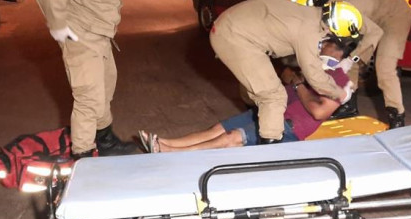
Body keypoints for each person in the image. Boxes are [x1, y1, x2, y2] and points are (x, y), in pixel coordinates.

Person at [35, 0, 160, 157]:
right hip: (81, 38)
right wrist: (59, 26)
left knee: (104, 90)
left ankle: (105, 140)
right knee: (88, 99)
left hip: (100, 38)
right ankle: (83, 158)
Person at [139, 40, 352, 152]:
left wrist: (297, 84)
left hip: (289, 126)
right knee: (216, 129)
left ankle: (168, 152)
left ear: (337, 50)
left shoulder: (340, 79)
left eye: (325, 43)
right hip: (272, 108)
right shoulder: (315, 66)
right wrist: (292, 78)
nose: (319, 45)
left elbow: (318, 111)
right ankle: (168, 143)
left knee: (230, 138)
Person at [208, 0, 362, 145]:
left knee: (268, 95)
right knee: (273, 96)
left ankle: (267, 139)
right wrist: (339, 93)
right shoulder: (309, 29)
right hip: (235, 37)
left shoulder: (306, 13)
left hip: (230, 29)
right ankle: (270, 152)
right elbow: (314, 76)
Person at [325, 0, 411, 128]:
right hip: (369, 18)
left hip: (395, 15)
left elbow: (375, 33)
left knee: (384, 68)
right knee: (353, 61)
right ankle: (348, 106)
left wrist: (350, 58)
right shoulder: (322, 16)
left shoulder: (339, 15)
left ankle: (397, 118)